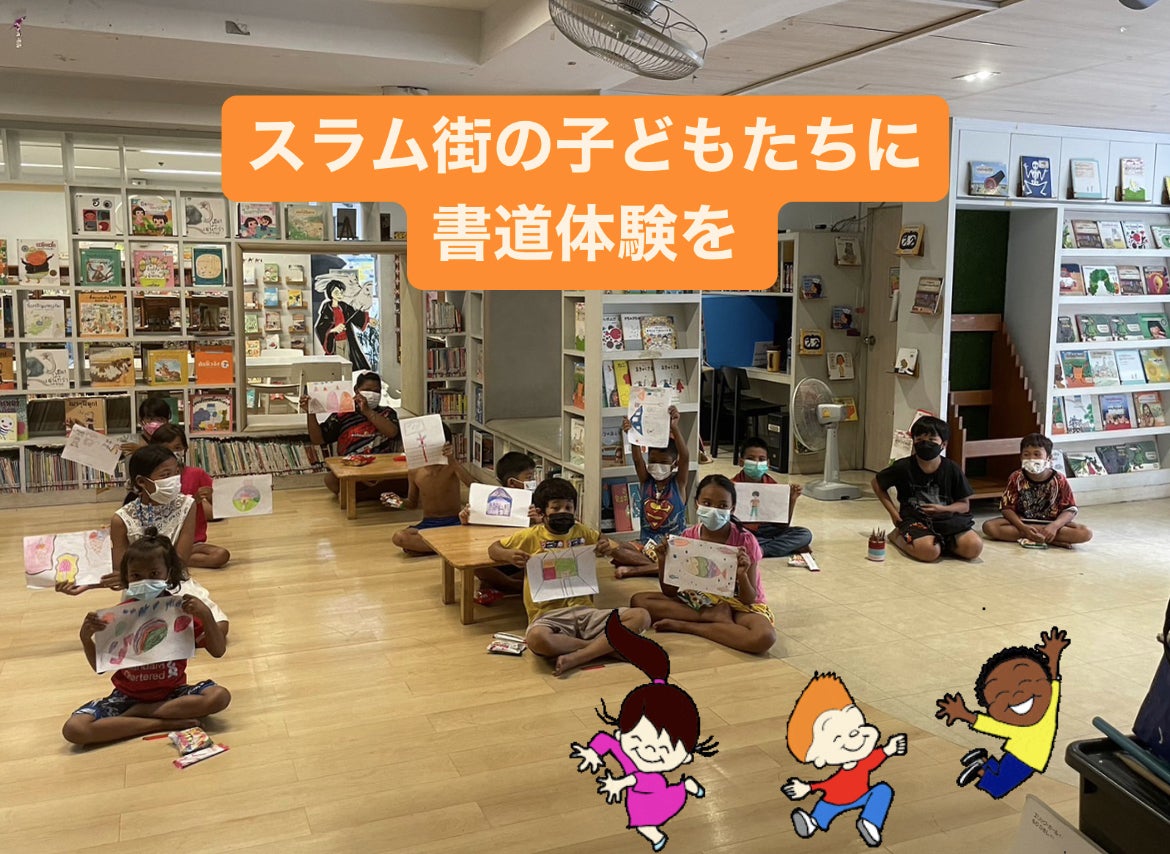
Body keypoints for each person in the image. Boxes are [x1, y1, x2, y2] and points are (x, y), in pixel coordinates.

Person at [62, 527, 231, 746]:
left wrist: (206, 614)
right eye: (136, 576)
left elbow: (218, 651)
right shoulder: (119, 615)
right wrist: (86, 639)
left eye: (154, 574)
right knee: (75, 729)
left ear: (169, 573)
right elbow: (100, 667)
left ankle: (140, 715)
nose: (145, 581)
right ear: (126, 577)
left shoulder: (181, 611)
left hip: (173, 694)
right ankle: (160, 723)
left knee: (219, 696)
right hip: (126, 697)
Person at [570, 612, 718, 851]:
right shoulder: (624, 752)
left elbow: (635, 778)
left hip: (656, 795)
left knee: (645, 822)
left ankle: (684, 791)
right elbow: (605, 740)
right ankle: (669, 815)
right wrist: (592, 752)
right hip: (643, 799)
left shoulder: (645, 772)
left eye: (665, 748)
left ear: (686, 755)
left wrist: (618, 784)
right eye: (637, 739)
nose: (648, 750)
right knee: (642, 823)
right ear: (622, 734)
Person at [487, 478, 650, 676]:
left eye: (568, 507)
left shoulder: (581, 531)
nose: (563, 512)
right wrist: (508, 555)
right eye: (555, 508)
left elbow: (601, 538)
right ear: (540, 512)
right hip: (548, 616)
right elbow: (494, 548)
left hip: (586, 612)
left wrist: (605, 545)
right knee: (537, 639)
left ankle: (579, 655)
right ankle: (601, 648)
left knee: (641, 616)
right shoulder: (530, 536)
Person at [631, 474, 776, 655]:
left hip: (739, 605)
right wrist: (663, 561)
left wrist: (742, 575)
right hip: (701, 601)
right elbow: (670, 591)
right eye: (707, 503)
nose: (714, 510)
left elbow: (749, 599)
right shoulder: (688, 537)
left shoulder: (746, 541)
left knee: (764, 637)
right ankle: (713, 617)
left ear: (732, 509)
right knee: (639, 601)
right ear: (696, 504)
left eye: (722, 506)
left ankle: (691, 626)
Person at [935, 628, 1069, 799]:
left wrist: (1053, 657)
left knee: (1001, 773)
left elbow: (1052, 682)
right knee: (999, 787)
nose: (1017, 694)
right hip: (1028, 759)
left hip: (1020, 755)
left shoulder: (1047, 704)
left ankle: (982, 762)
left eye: (1026, 682)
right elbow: (1052, 681)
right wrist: (1053, 657)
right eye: (1000, 695)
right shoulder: (1039, 714)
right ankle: (979, 769)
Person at [782, 673, 907, 847]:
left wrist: (888, 749)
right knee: (824, 810)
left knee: (882, 791)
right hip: (834, 801)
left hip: (861, 796)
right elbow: (829, 784)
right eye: (838, 737)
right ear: (819, 757)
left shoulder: (862, 763)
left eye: (857, 727)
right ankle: (811, 823)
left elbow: (873, 760)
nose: (856, 735)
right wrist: (808, 788)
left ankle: (870, 821)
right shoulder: (842, 772)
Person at [872, 416, 983, 562]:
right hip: (915, 519)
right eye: (920, 439)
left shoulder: (952, 469)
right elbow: (877, 483)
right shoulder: (903, 466)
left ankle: (944, 544)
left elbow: (964, 505)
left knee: (974, 547)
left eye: (932, 439)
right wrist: (894, 514)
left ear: (943, 444)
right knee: (929, 552)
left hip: (948, 520)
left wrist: (943, 509)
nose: (925, 443)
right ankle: (898, 536)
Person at [610, 405, 690, 577]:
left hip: (673, 546)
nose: (657, 466)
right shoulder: (646, 481)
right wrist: (632, 434)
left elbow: (685, 457)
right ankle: (659, 568)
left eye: (663, 462)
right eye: (653, 461)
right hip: (646, 544)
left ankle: (637, 570)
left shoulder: (679, 483)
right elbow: (637, 459)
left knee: (678, 559)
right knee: (617, 550)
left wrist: (674, 428)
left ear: (674, 464)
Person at [301, 372, 404, 501]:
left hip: (382, 468)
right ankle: (372, 493)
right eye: (367, 390)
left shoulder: (387, 412)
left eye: (376, 391)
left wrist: (368, 412)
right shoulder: (343, 414)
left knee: (406, 478)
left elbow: (392, 432)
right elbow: (318, 439)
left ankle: (360, 495)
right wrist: (310, 413)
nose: (372, 394)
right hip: (353, 468)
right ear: (356, 390)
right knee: (330, 480)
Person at [458, 451, 540, 606]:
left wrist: (539, 520)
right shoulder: (489, 498)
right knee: (473, 566)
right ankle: (514, 586)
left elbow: (546, 533)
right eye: (529, 477)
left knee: (538, 562)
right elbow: (473, 535)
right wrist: (466, 519)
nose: (533, 481)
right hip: (498, 555)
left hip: (523, 557)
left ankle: (504, 585)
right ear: (512, 483)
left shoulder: (538, 500)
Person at [982, 433, 1092, 548]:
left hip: (1050, 523)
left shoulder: (1059, 479)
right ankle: (1048, 539)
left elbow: (1070, 509)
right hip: (1022, 523)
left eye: (1037, 454)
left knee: (1085, 533)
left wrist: (1054, 526)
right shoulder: (1016, 477)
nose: (1031, 458)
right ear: (1021, 457)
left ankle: (1039, 536)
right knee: (990, 527)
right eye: (1026, 454)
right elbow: (1006, 508)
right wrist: (1023, 528)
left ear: (1049, 458)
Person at [148, 423, 231, 569]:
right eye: (166, 449)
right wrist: (191, 501)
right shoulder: (152, 477)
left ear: (185, 449)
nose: (173, 453)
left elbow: (222, 506)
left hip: (193, 542)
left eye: (177, 448)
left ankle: (171, 559)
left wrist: (210, 496)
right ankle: (173, 557)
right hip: (162, 540)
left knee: (221, 555)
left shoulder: (196, 474)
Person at [387, 423, 476, 556]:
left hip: (455, 521)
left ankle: (429, 547)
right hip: (429, 524)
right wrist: (397, 502)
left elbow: (473, 485)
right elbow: (411, 503)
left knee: (474, 532)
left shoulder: (452, 466)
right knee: (399, 537)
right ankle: (447, 546)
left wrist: (453, 460)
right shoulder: (415, 471)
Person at [108, 445, 196, 572]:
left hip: (175, 579)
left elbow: (181, 561)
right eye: (165, 475)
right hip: (137, 582)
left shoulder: (186, 505)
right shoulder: (121, 519)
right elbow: (120, 568)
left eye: (176, 473)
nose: (174, 480)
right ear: (142, 482)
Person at [732, 437, 813, 558]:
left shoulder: (773, 487)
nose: (757, 463)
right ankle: (776, 547)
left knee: (805, 534)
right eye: (751, 459)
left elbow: (783, 525)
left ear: (768, 463)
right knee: (734, 537)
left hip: (769, 530)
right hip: (744, 531)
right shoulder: (732, 486)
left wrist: (792, 499)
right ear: (741, 462)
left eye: (761, 459)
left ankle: (760, 550)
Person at [314, 276, 372, 370]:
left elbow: (355, 315)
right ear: (330, 293)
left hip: (347, 340)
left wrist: (368, 320)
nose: (339, 294)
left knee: (348, 363)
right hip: (335, 342)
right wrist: (333, 330)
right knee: (338, 366)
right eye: (336, 292)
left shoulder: (344, 306)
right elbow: (320, 327)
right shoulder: (327, 308)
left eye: (341, 292)